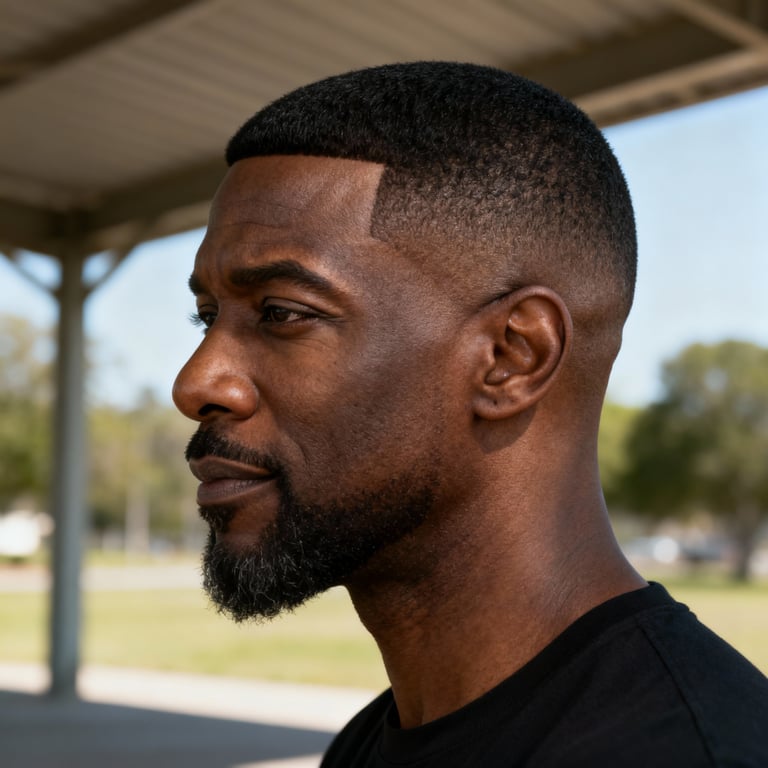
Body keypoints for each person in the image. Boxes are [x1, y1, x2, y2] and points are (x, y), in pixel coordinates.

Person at [172, 62, 768, 766]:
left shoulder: (691, 751)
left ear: (511, 358)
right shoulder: (366, 746)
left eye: (282, 314)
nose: (196, 382)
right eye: (206, 317)